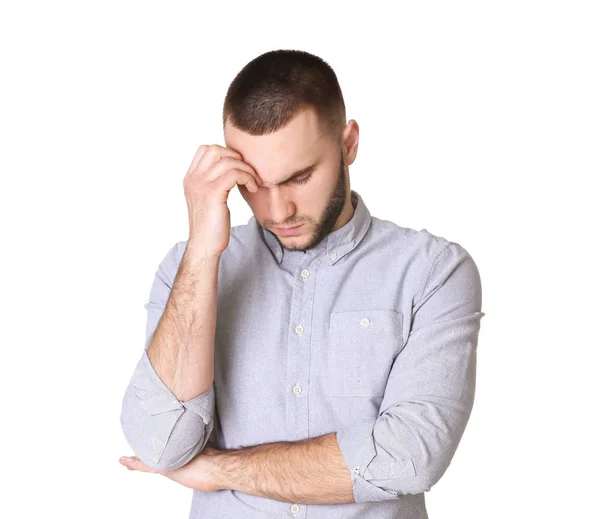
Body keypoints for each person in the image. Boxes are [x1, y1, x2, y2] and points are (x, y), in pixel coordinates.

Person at [119, 49, 485, 519]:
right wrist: (202, 252)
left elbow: (408, 458)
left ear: (348, 143)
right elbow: (160, 443)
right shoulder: (189, 269)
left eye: (299, 178)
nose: (277, 211)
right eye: (253, 184)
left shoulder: (434, 271)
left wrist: (221, 470)